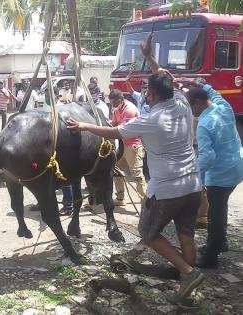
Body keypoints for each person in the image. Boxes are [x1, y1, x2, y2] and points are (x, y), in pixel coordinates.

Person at [66, 34, 205, 303]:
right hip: (193, 185)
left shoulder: (150, 119)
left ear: (152, 95)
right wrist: (151, 58)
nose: (144, 94)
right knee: (186, 234)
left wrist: (83, 126)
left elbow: (113, 132)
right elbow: (165, 76)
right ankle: (188, 286)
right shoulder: (180, 102)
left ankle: (187, 272)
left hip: (167, 189)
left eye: (146, 91)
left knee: (149, 233)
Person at [184, 80, 243, 269]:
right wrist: (197, 83)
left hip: (220, 176)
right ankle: (221, 242)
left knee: (215, 215)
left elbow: (207, 157)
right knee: (221, 207)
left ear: (198, 102)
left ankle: (211, 256)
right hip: (237, 166)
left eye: (190, 106)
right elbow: (214, 92)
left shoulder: (204, 124)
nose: (190, 111)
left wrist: (196, 179)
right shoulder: (223, 106)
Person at [110, 89, 146, 205]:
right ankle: (120, 198)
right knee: (117, 170)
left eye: (115, 103)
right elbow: (114, 124)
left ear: (121, 99)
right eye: (112, 103)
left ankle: (145, 204)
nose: (114, 105)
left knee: (137, 175)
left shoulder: (130, 110)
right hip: (124, 145)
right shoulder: (116, 108)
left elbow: (122, 130)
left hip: (133, 145)